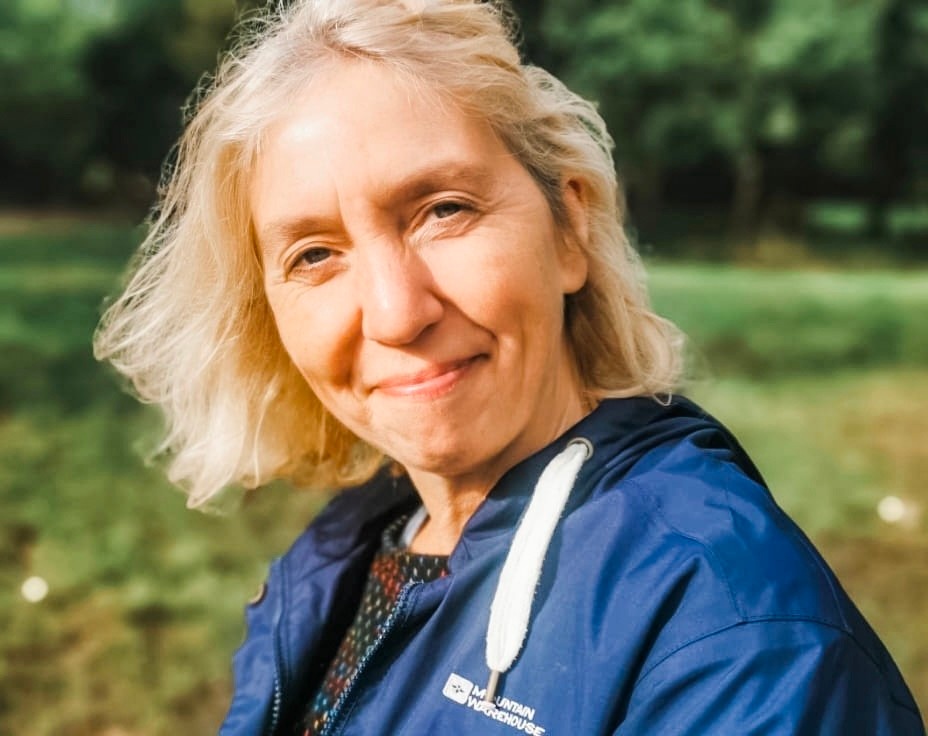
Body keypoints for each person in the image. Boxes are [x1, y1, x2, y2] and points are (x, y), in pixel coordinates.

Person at [94, 1, 924, 734]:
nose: (395, 312)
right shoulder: (354, 551)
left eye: (442, 210)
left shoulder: (728, 630)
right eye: (314, 254)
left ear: (568, 228)